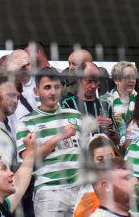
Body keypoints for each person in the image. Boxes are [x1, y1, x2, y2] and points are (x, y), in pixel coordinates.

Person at [16, 70, 84, 217]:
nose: (53, 92)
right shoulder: (26, 122)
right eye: (47, 87)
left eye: (56, 87)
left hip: (81, 190)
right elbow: (29, 161)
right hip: (49, 192)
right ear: (36, 91)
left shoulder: (75, 115)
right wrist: (59, 136)